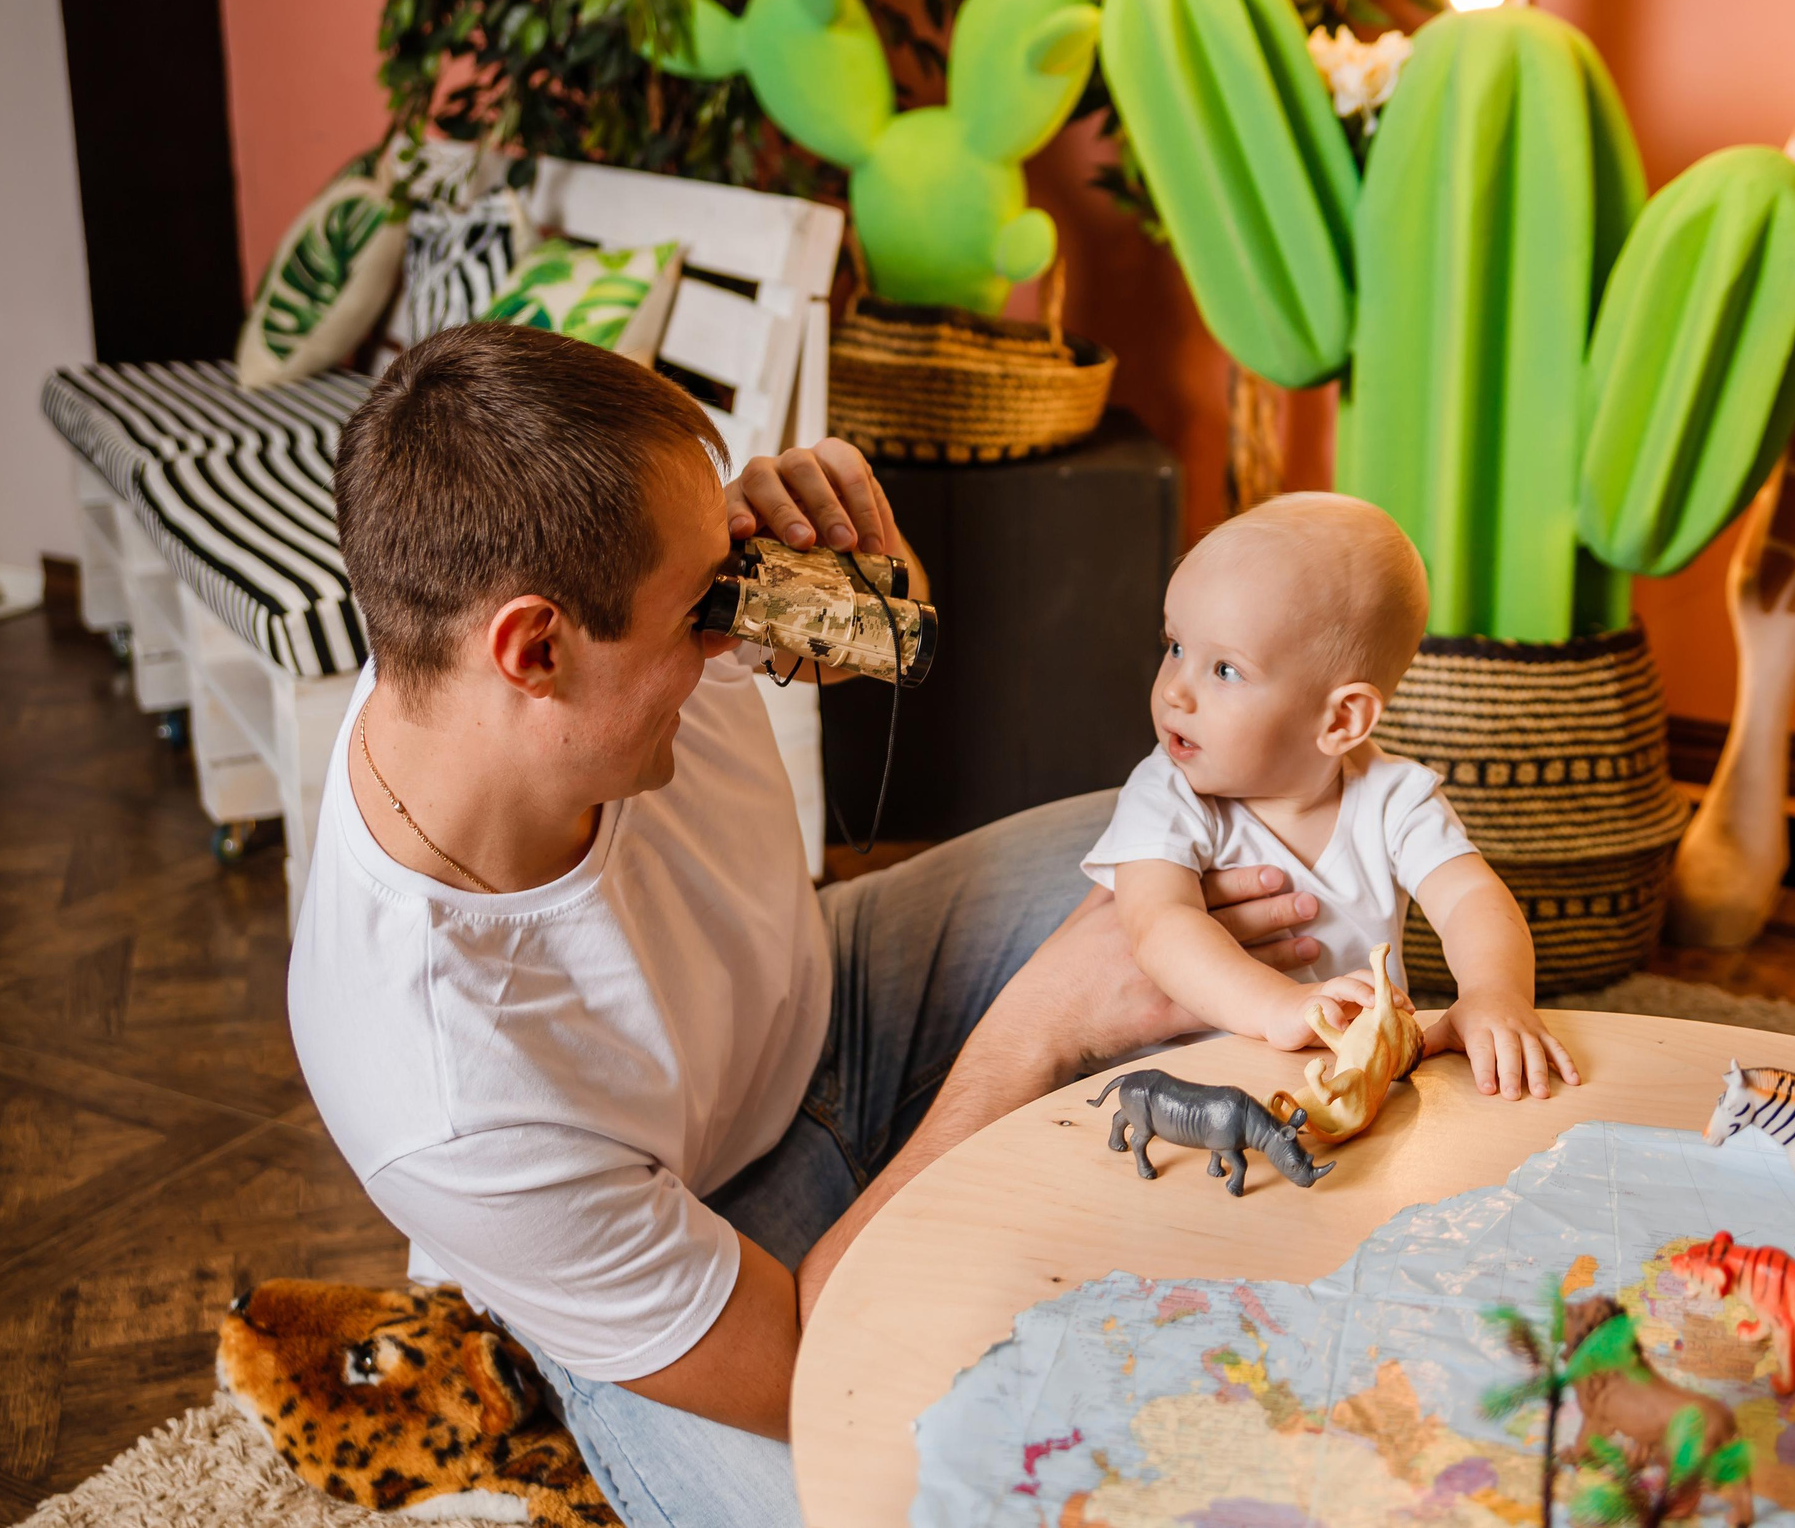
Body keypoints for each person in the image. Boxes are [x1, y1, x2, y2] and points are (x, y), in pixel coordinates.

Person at [287, 326, 1323, 1528]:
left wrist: (870, 590)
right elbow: (797, 1355)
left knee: (1246, 853)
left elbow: (881, 640)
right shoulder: (438, 1091)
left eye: (731, 570)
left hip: (840, 1000)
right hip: (718, 1253)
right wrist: (1032, 1031)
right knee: (892, 1502)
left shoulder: (595, 619)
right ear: (534, 650)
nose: (733, 627)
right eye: (704, 610)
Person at [1082, 492, 1582, 1100]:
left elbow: (1472, 898)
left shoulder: (1395, 798)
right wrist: (1281, 1007)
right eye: (1176, 646)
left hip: (1352, 1079)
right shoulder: (1167, 792)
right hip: (1198, 1088)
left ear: (1342, 720)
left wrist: (1493, 993)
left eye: (1225, 671)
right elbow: (1160, 923)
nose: (1175, 693)